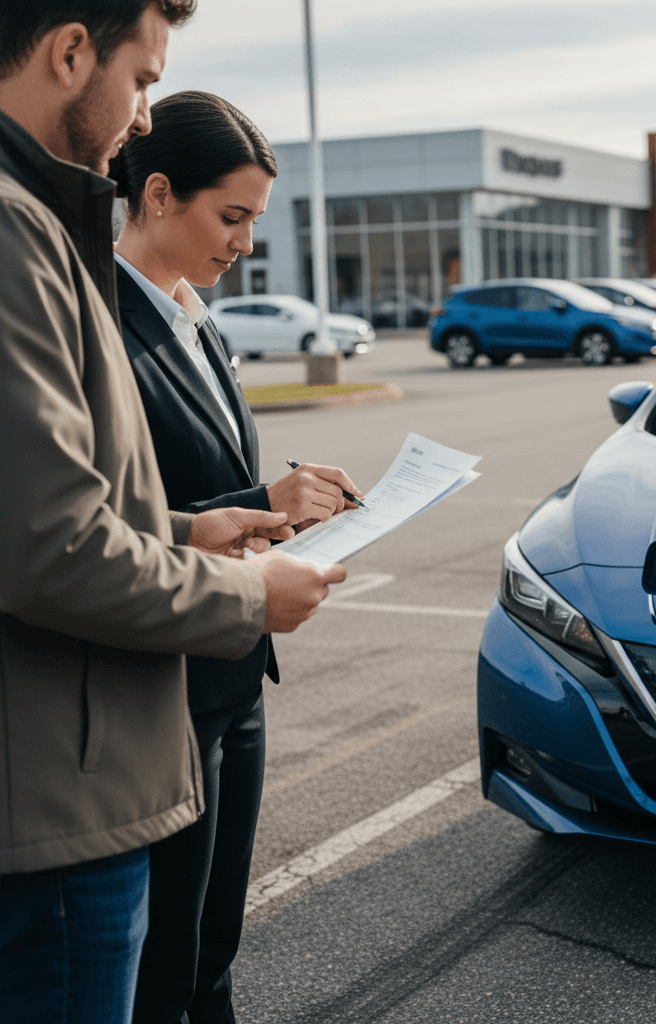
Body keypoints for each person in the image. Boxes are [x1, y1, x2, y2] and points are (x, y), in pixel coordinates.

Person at [0, 4, 346, 1022]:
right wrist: (243, 588)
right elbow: (54, 545)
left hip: (90, 755)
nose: (140, 112)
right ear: (72, 52)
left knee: (200, 958)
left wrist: (198, 528)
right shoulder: (24, 235)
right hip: (65, 782)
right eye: (143, 77)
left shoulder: (45, 225)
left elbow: (64, 503)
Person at [110, 89, 363, 1023]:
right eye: (232, 217)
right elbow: (106, 516)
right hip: (160, 684)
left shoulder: (196, 317)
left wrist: (283, 508)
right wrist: (258, 504)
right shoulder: (96, 324)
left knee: (216, 940)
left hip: (235, 676)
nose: (246, 244)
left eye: (255, 220)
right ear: (160, 194)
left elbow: (208, 480)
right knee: (165, 954)